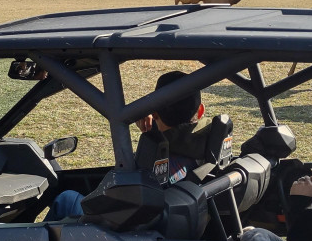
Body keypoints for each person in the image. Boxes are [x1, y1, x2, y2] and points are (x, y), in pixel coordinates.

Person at [46, 71, 211, 220]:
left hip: (129, 235)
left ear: (154, 114)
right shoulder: (208, 144)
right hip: (172, 223)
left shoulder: (151, 160)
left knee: (66, 200)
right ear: (201, 110)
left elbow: (113, 198)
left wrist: (150, 132)